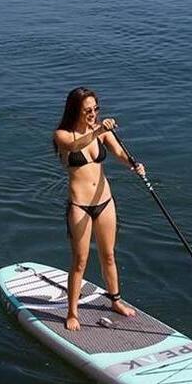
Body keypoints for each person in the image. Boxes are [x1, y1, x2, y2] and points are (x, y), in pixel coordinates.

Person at [53, 87, 145, 331]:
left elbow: (118, 152)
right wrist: (100, 129)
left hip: (105, 201)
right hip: (80, 206)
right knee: (80, 261)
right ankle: (72, 312)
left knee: (109, 255)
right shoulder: (62, 135)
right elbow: (76, 146)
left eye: (96, 109)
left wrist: (134, 165)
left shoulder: (101, 133)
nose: (93, 114)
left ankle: (115, 301)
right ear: (75, 111)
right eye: (87, 111)